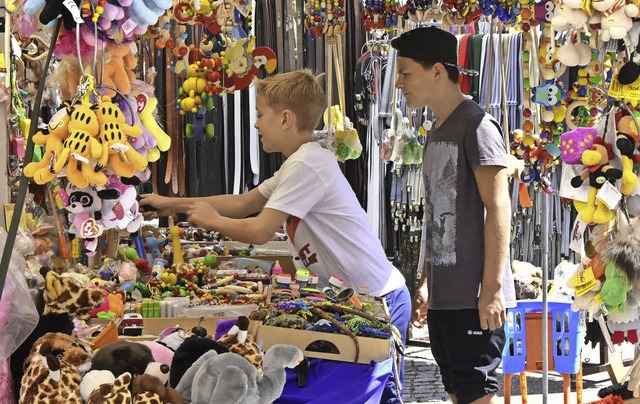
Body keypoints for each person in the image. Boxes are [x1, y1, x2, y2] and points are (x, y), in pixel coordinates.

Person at [139, 69, 411, 403]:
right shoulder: (297, 164)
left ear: (285, 118)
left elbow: (260, 228)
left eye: (260, 115)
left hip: (379, 299)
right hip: (359, 300)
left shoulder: (307, 164)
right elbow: (243, 203)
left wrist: (212, 220)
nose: (255, 124)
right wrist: (170, 204)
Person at [392, 27, 516, 404]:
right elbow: (437, 212)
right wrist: (426, 280)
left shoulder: (477, 126)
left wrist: (492, 290)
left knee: (476, 394)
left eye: (406, 73)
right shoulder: (435, 131)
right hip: (445, 298)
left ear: (437, 71)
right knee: (457, 394)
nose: (399, 84)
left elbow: (498, 207)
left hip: (474, 297)